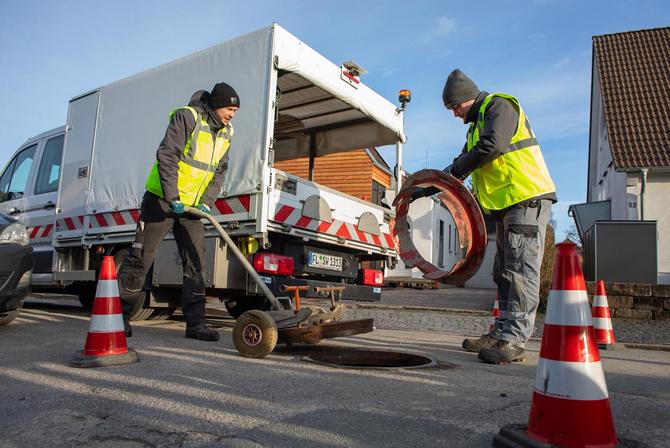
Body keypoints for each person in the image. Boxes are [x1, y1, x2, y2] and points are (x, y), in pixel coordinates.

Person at [416, 69, 556, 364]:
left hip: (526, 199)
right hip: (506, 206)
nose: (455, 114)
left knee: (520, 271)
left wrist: (453, 174)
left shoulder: (499, 107)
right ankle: (500, 332)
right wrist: (428, 188)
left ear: (467, 98)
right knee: (503, 272)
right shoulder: (476, 127)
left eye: (455, 107)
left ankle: (514, 340)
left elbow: (491, 147)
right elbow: (459, 164)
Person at [118, 82, 240, 341]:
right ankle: (119, 318)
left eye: (235, 110)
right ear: (217, 104)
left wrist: (207, 201)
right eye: (229, 108)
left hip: (192, 207)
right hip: (162, 200)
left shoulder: (227, 132)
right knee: (141, 258)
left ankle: (195, 325)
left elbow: (220, 171)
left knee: (196, 262)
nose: (232, 114)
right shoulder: (188, 117)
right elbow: (167, 155)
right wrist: (172, 195)